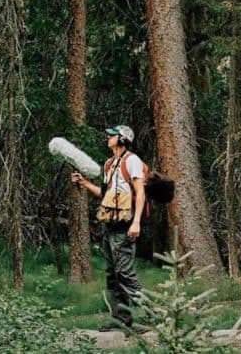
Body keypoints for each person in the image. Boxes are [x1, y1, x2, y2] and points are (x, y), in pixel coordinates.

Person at [70, 125, 147, 332]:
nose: (108, 137)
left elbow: (140, 193)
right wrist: (84, 183)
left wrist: (137, 221)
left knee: (125, 273)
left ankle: (154, 314)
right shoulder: (109, 164)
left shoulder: (132, 161)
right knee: (112, 275)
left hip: (125, 226)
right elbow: (105, 195)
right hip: (110, 226)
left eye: (112, 135)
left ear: (122, 139)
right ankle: (120, 320)